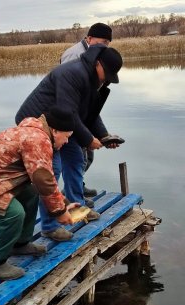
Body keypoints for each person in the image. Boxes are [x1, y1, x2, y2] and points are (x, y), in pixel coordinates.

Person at [0, 107, 78, 280]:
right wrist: (59, 212)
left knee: (31, 193)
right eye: (67, 136)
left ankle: (19, 243)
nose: (67, 141)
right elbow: (43, 179)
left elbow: (42, 181)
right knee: (12, 214)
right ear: (55, 131)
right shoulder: (37, 139)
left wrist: (63, 204)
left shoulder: (36, 132)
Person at [15, 44, 123, 242]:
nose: (106, 79)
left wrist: (104, 135)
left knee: (75, 160)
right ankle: (50, 226)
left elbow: (88, 114)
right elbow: (69, 112)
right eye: (106, 73)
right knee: (52, 171)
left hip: (62, 125)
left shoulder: (92, 79)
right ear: (98, 64)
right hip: (38, 126)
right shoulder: (72, 73)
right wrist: (89, 139)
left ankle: (76, 208)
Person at [60, 23, 120, 207]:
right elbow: (70, 100)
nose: (104, 47)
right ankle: (72, 194)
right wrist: (86, 134)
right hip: (66, 116)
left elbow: (90, 103)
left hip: (81, 113)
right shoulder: (74, 56)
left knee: (88, 155)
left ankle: (77, 187)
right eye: (102, 42)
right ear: (89, 39)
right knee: (77, 155)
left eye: (107, 44)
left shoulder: (97, 57)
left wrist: (103, 134)